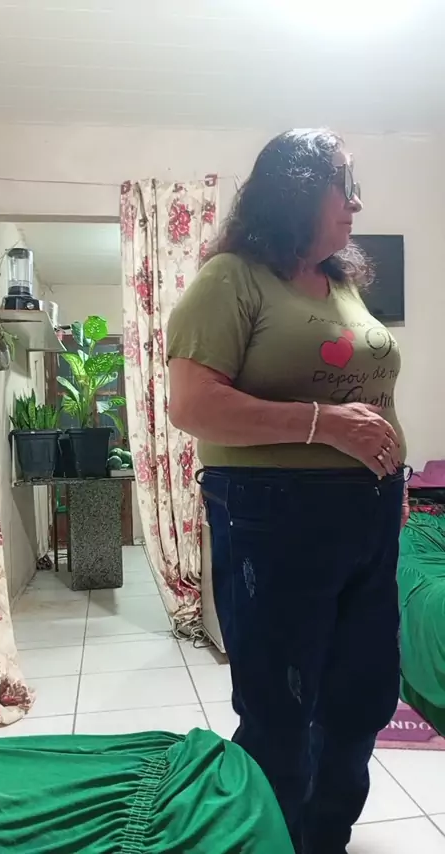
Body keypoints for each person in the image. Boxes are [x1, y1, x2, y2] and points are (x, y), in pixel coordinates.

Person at [166, 129, 407, 854]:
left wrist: (386, 473)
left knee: (363, 697)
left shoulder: (342, 284)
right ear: (298, 190)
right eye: (344, 185)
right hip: (275, 516)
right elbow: (192, 406)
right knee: (281, 710)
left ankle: (324, 839)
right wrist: (324, 426)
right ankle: (272, 840)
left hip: (369, 513)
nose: (356, 203)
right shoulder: (231, 278)